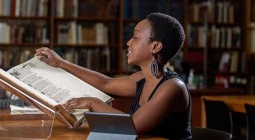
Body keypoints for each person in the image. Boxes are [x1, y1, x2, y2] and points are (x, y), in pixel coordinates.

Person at [35, 12, 192, 139]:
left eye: (136, 37)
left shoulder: (172, 87)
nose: (128, 42)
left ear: (155, 46)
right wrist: (61, 63)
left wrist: (93, 102)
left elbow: (132, 126)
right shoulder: (142, 79)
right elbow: (106, 83)